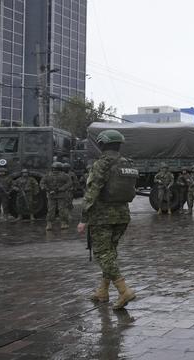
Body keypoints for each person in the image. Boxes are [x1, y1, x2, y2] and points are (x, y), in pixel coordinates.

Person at [77, 129, 139, 310]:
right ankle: (102, 292)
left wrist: (83, 219)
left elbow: (92, 192)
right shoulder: (127, 163)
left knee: (103, 254)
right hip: (122, 215)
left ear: (102, 145)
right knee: (110, 253)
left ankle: (124, 290)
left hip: (102, 217)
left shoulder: (101, 164)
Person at [40, 162, 72, 230]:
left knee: (51, 210)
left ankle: (49, 224)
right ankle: (63, 223)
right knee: (62, 209)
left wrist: (47, 189)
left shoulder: (47, 175)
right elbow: (69, 183)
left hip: (51, 195)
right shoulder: (64, 175)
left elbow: (42, 183)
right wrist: (61, 189)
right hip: (61, 194)